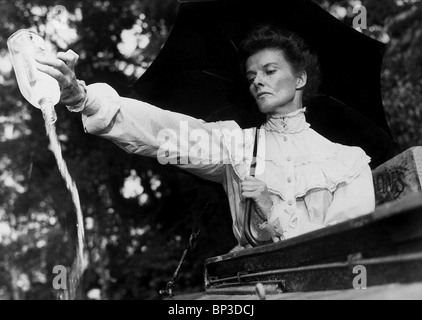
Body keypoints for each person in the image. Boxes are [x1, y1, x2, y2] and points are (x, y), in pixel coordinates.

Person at [36, 25, 375, 251]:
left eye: (270, 71)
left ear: (299, 79)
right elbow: (161, 133)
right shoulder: (237, 145)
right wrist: (80, 97)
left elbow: (350, 244)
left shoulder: (349, 160)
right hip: (249, 283)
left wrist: (272, 207)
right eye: (252, 75)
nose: (257, 81)